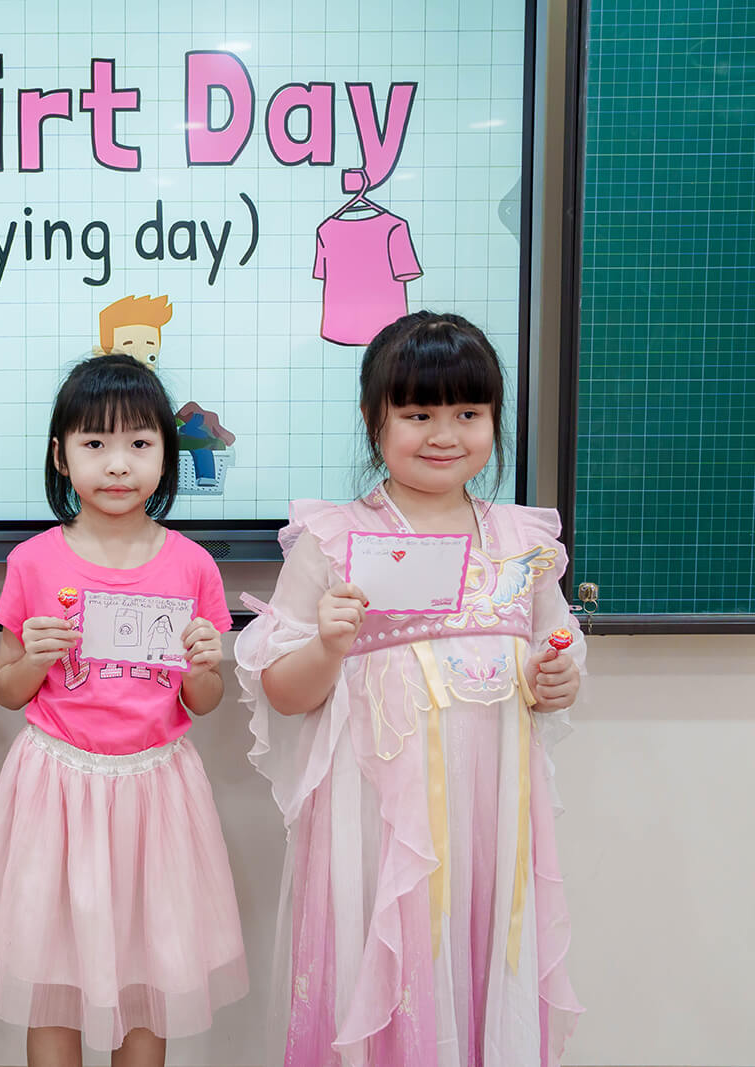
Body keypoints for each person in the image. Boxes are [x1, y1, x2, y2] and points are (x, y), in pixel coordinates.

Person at [235, 311, 585, 1066]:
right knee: (388, 972)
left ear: (494, 420)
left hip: (491, 818)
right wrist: (329, 644)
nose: (444, 434)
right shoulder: (332, 540)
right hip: (375, 821)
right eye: (419, 413)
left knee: (477, 964)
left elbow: (553, 655)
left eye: (469, 413)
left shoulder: (522, 543)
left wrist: (557, 677)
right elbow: (283, 691)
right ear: (376, 420)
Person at [0, 353, 247, 1064]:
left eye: (139, 443)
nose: (118, 464)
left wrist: (203, 666)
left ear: (166, 456)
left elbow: (203, 701)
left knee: (149, 968)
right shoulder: (33, 561)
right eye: (95, 443)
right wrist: (35, 658)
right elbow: (8, 689)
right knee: (53, 972)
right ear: (61, 456)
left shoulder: (193, 565)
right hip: (56, 788)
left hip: (156, 792)